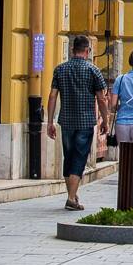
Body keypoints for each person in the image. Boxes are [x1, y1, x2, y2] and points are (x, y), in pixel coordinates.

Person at [45, 35, 110, 211]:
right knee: (79, 158)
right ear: (88, 50)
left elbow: (52, 96)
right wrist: (105, 120)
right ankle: (71, 198)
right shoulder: (93, 70)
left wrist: (50, 121)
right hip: (85, 121)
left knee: (69, 157)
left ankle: (71, 195)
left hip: (66, 121)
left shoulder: (60, 69)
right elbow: (102, 99)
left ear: (72, 50)